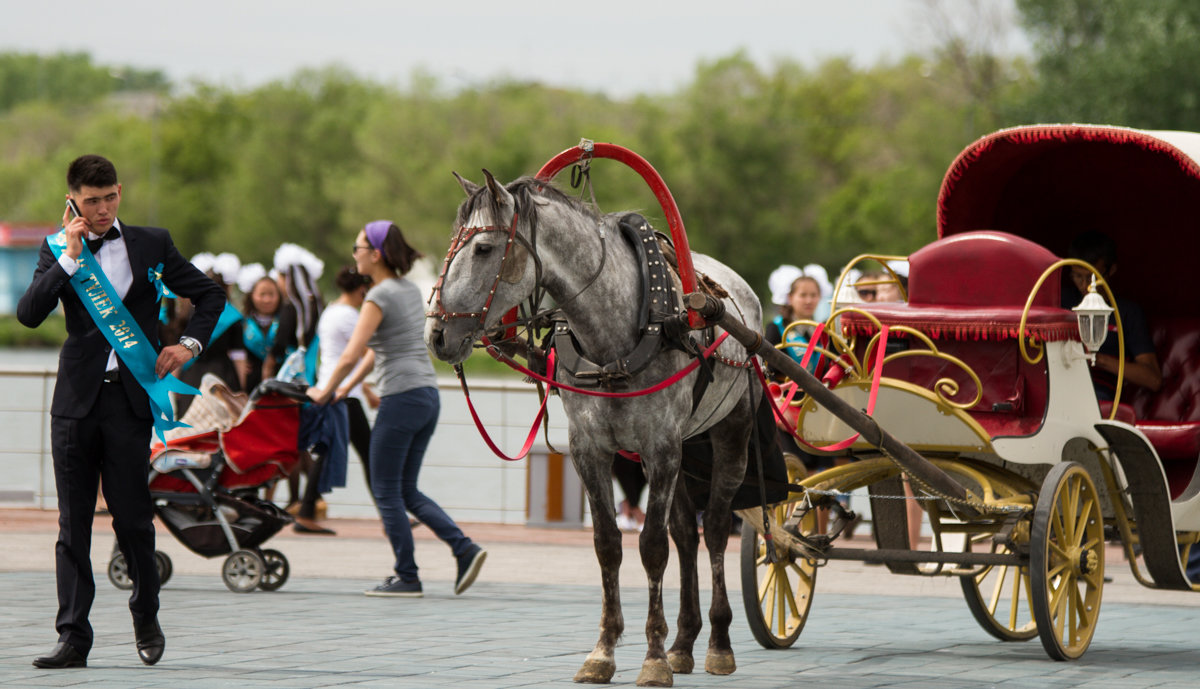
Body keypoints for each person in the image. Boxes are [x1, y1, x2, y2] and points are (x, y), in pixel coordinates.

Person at [18, 154, 226, 669]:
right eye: (92, 201)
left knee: (133, 519)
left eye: (111, 197)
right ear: (72, 202)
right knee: (74, 525)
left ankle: (146, 613)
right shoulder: (56, 251)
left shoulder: (151, 242)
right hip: (75, 405)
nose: (105, 208)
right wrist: (68, 257)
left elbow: (210, 295)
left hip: (129, 402)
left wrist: (190, 346)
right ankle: (73, 636)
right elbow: (28, 314)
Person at [306, 220, 486, 597]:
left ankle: (408, 575)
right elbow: (375, 353)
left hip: (401, 399)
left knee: (386, 489)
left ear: (375, 254)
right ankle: (463, 548)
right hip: (426, 396)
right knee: (405, 488)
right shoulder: (406, 291)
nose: (354, 255)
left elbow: (352, 352)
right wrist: (347, 390)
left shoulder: (377, 297)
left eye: (358, 249)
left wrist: (324, 391)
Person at [293, 266, 374, 534]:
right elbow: (362, 354)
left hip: (332, 390)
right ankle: (391, 513)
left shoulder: (330, 311)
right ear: (362, 289)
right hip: (344, 395)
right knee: (371, 454)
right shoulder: (351, 316)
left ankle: (305, 512)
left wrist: (369, 393)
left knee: (327, 452)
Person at [1065, 230, 1162, 400]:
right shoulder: (1062, 301)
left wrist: (1097, 359)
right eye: (1077, 276)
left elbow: (1153, 379)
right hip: (1058, 387)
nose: (1085, 285)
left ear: (1111, 271)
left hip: (1098, 395)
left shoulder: (1126, 312)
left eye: (1092, 277)